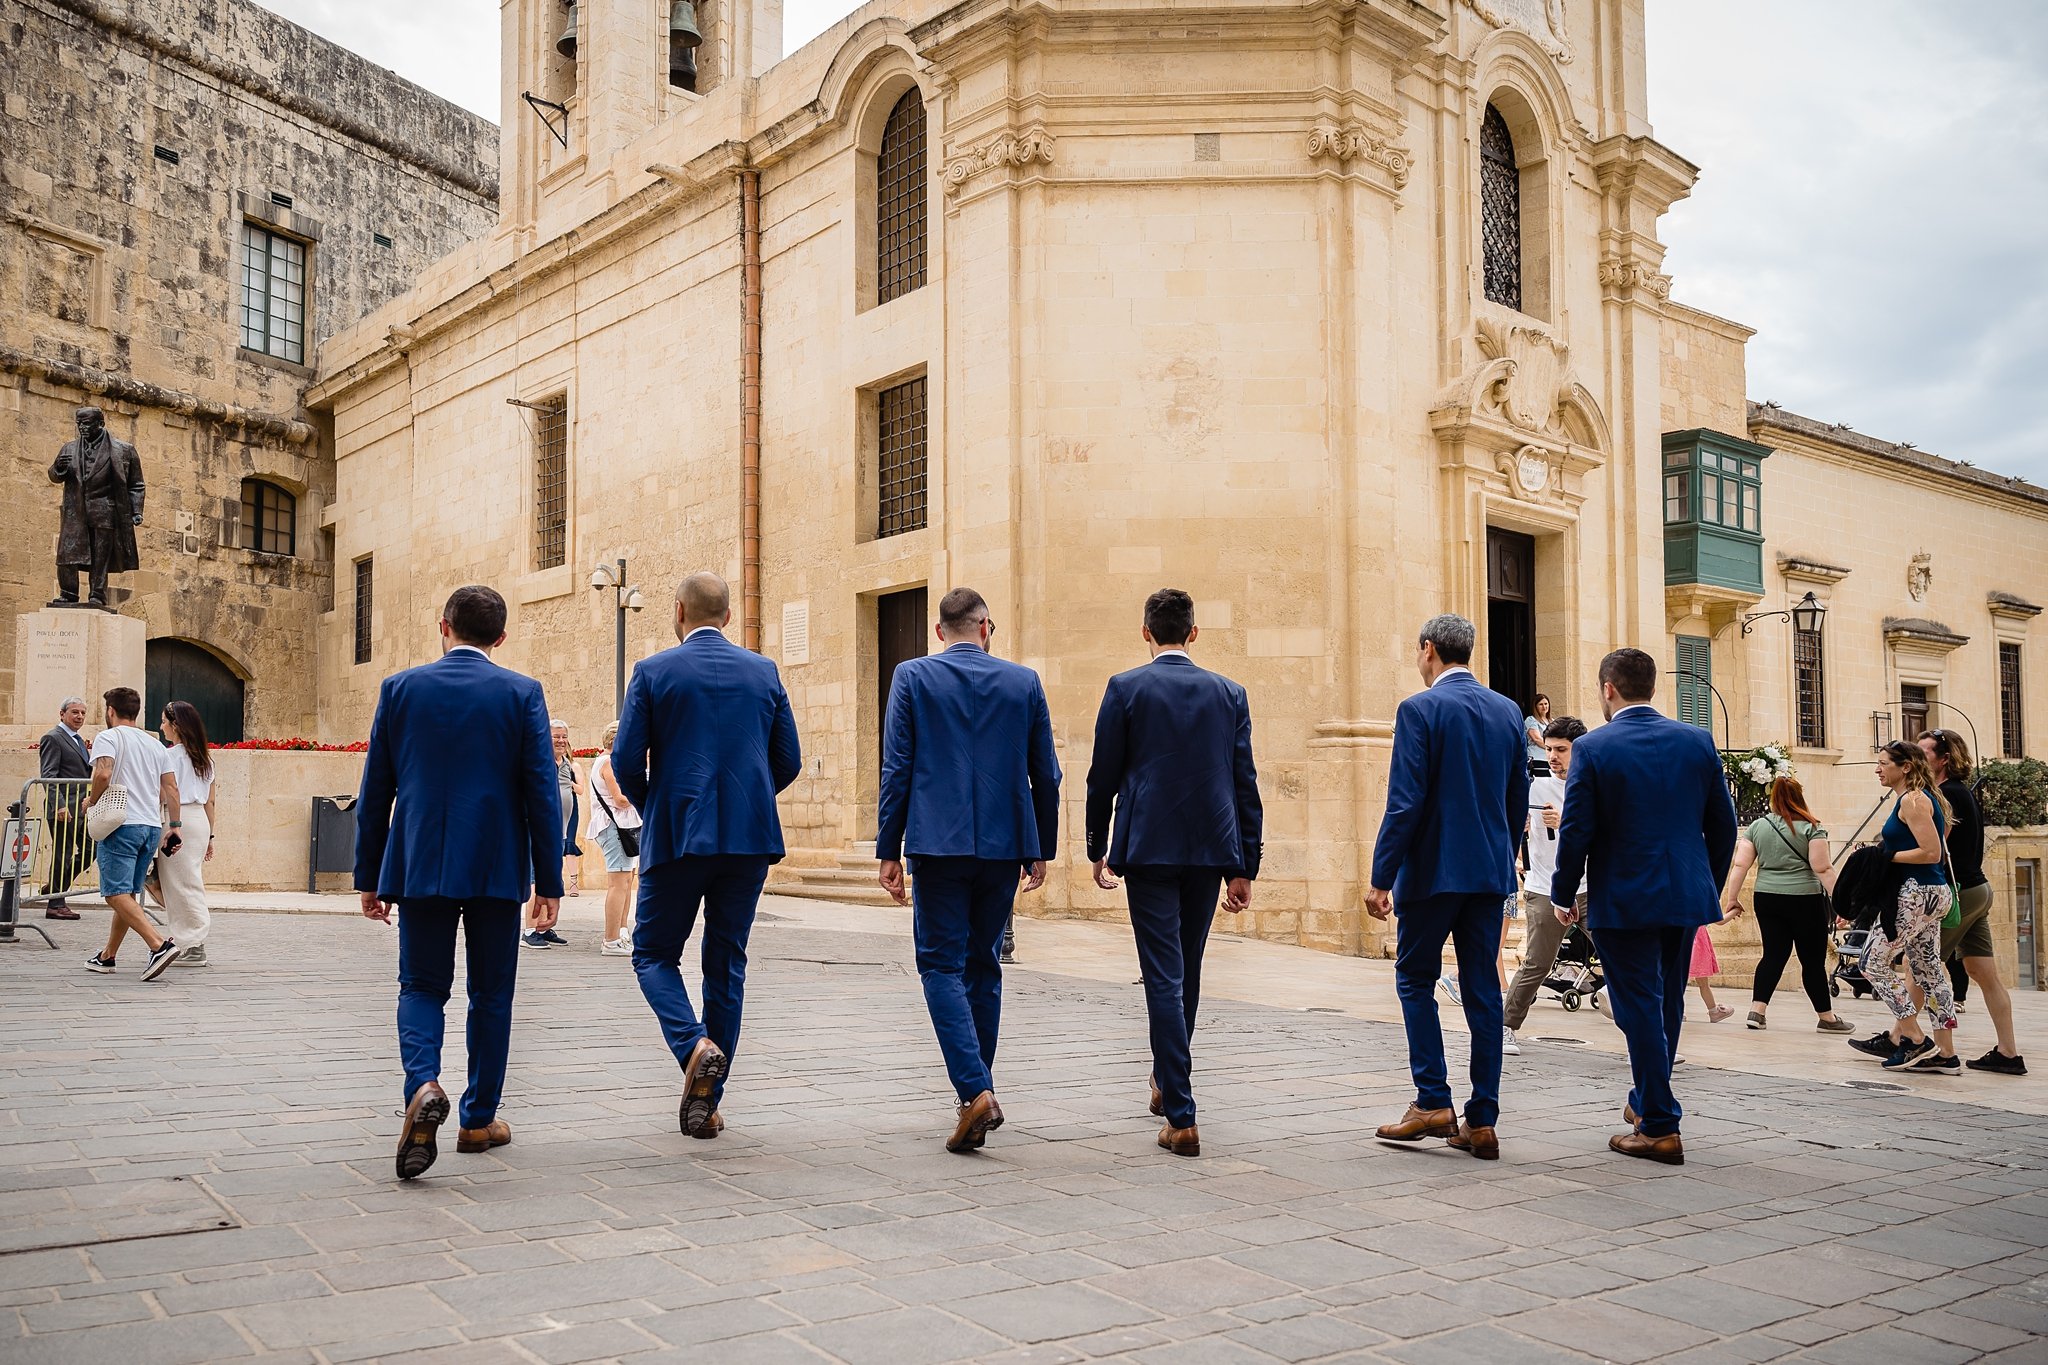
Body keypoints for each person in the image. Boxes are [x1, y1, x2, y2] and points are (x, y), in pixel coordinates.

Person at [355, 585, 563, 1181]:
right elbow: (541, 795)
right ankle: (477, 1118)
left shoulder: (400, 689)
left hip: (420, 863)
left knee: (421, 986)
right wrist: (548, 881)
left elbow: (377, 793)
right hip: (496, 866)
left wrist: (369, 875)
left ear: (441, 626)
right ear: (500, 638)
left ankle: (422, 1084)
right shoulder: (522, 693)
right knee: (492, 995)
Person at [613, 572, 802, 1140]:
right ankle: (707, 1101)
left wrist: (661, 804)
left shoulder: (652, 672)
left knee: (652, 954)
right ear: (726, 616)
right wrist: (748, 798)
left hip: (678, 837)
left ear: (678, 612)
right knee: (726, 962)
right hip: (747, 841)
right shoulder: (763, 671)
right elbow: (787, 758)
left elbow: (626, 760)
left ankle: (693, 1045)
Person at [877, 587, 1061, 1153]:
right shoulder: (1023, 682)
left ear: (941, 632)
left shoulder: (912, 677)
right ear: (986, 627)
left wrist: (889, 847)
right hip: (1005, 845)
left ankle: (975, 1090)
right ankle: (974, 1093)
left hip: (937, 843)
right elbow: (1046, 773)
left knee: (938, 964)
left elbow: (898, 766)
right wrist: (1042, 848)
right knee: (983, 964)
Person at [1085, 588, 1262, 1157]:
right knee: (1187, 969)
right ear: (1193, 633)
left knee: (1162, 972)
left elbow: (1102, 775)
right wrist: (1244, 864)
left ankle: (1181, 1111)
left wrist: (1098, 846)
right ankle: (1167, 1081)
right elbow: (1244, 784)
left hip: (1150, 848)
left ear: (1145, 633)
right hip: (1211, 850)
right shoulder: (1229, 693)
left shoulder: (1125, 688)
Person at [1551, 648, 1736, 1167]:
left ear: (1608, 689)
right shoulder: (1696, 741)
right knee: (1667, 1003)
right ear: (1651, 687)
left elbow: (1577, 829)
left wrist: (1563, 891)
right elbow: (1723, 824)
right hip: (1683, 895)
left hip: (1625, 896)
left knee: (1638, 1007)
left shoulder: (1594, 747)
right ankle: (1644, 1101)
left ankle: (1659, 1122)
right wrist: (1709, 884)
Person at [1365, 614, 1527, 1162]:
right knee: (1483, 987)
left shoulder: (1419, 708)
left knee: (1414, 977)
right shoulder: (1508, 712)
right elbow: (1515, 799)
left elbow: (1405, 801)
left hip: (1433, 871)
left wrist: (1381, 875)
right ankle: (1482, 1118)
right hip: (1487, 872)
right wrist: (1503, 858)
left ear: (1428, 650)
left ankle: (1433, 1097)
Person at [1920, 728, 2025, 1074]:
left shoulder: (1944, 795)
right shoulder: (1962, 792)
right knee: (1983, 972)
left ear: (1944, 759)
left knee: (1921, 966)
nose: (1918, 759)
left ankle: (1904, 1038)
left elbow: (1934, 849)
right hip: (1978, 890)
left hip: (1958, 892)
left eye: (1925, 753)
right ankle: (2008, 1052)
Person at [1855, 740, 1958, 1074]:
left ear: (1906, 767)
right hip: (1933, 893)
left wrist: (1883, 856)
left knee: (1871, 962)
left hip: (1915, 894)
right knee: (1929, 970)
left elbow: (1932, 853)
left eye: (1884, 763)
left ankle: (1913, 1037)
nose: (1877, 769)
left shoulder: (1913, 801)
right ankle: (1946, 1053)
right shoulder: (1923, 798)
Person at [1719, 775, 1852, 1032]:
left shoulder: (1758, 826)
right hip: (1805, 899)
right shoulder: (1812, 828)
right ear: (1799, 797)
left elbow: (1740, 865)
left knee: (1772, 954)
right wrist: (1843, 904)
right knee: (1811, 960)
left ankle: (1757, 1011)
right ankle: (1826, 1018)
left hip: (1767, 897)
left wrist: (1732, 899)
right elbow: (1823, 868)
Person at [81, 687, 185, 981]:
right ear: (136, 712)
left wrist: (92, 800)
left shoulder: (108, 737)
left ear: (110, 711)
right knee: (127, 894)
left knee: (115, 893)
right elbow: (172, 789)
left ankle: (158, 945)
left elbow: (102, 774)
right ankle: (107, 955)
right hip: (151, 826)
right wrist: (174, 827)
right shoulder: (154, 744)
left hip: (122, 824)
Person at [1502, 715, 1589, 1054]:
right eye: (1550, 749)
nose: (1552, 756)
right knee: (1538, 961)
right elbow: (1513, 824)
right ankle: (1505, 1026)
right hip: (1543, 887)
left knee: (1619, 957)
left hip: (1590, 888)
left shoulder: (1594, 786)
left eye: (1561, 750)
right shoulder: (1533, 787)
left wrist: (1565, 821)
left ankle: (1647, 1039)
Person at [155, 701, 217, 967]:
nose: (161, 727)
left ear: (175, 725)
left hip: (177, 820)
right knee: (183, 880)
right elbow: (211, 802)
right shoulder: (205, 759)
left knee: (183, 883)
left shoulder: (170, 756)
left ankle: (194, 943)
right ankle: (187, 936)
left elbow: (168, 793)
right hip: (199, 821)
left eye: (164, 722)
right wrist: (211, 836)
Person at [587, 721, 643, 957]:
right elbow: (620, 799)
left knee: (626, 881)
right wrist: (644, 792)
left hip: (621, 827)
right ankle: (610, 940)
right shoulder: (608, 762)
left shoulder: (610, 761)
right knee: (618, 883)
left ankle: (620, 932)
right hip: (614, 827)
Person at [524, 721, 581, 946]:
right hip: (538, 831)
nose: (560, 740)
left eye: (563, 736)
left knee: (551, 878)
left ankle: (544, 927)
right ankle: (529, 931)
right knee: (536, 880)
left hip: (558, 831)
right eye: (556, 736)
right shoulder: (540, 762)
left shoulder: (565, 764)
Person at [37, 696, 94, 920]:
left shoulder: (79, 740)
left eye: (82, 713)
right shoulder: (53, 737)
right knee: (64, 853)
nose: (79, 716)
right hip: (63, 808)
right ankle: (55, 904)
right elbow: (49, 775)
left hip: (81, 808)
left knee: (92, 850)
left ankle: (55, 888)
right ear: (62, 714)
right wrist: (59, 805)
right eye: (74, 712)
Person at [1688, 926, 1733, 1022]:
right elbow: (1720, 920)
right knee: (1703, 983)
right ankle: (1714, 1011)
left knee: (1676, 981)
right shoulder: (1700, 910)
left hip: (1679, 937)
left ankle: (1676, 1011)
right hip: (1697, 941)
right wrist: (1736, 910)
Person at [1523, 694, 1553, 776]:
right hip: (1537, 758)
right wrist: (1552, 747)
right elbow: (1537, 739)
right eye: (1541, 704)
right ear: (1535, 706)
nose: (1544, 707)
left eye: (1546, 704)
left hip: (1550, 759)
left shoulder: (1552, 721)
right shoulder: (1531, 720)